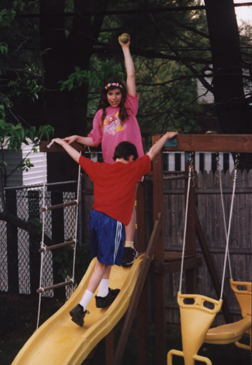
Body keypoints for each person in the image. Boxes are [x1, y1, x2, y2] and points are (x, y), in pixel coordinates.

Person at [52, 131, 178, 327]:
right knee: (102, 264)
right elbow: (153, 151)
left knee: (106, 256)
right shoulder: (133, 168)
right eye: (133, 158)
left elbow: (78, 157)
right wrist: (165, 136)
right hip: (112, 220)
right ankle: (81, 307)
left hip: (95, 218)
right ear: (130, 158)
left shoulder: (100, 168)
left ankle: (103, 294)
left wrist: (63, 142)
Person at [63, 34, 144, 267]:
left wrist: (125, 48)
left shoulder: (129, 108)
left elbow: (130, 75)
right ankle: (114, 244)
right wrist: (78, 138)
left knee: (129, 203)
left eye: (118, 93)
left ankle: (129, 247)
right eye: (111, 94)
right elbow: (95, 139)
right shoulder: (101, 115)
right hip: (110, 168)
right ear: (105, 96)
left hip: (128, 164)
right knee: (111, 206)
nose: (115, 97)